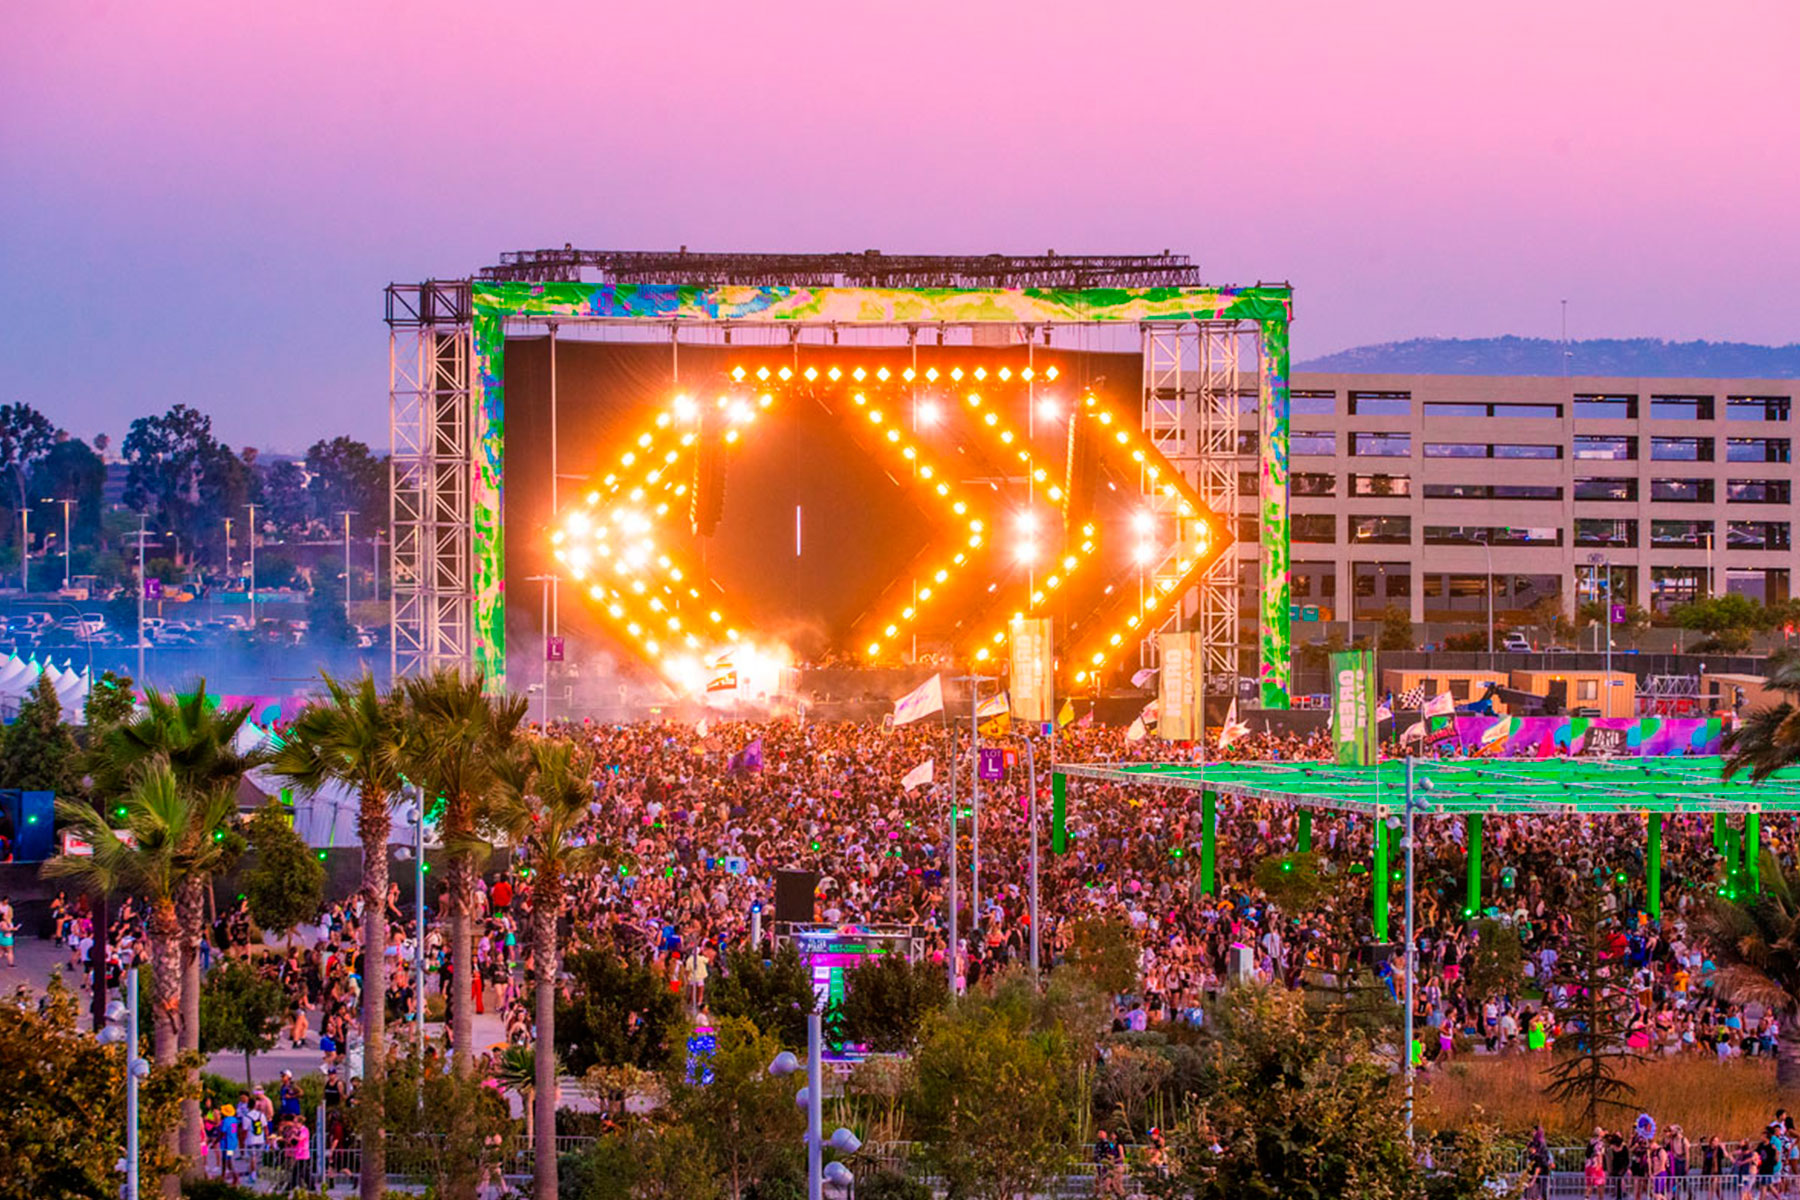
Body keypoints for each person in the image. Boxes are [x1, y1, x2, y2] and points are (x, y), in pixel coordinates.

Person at [1094, 1128, 1125, 1199]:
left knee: (1116, 1183)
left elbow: (1121, 1156)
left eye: (1113, 1135)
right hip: (1110, 1166)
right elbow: (1110, 1151)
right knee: (1106, 1182)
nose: (1112, 1136)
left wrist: (1113, 1160)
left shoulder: (1117, 1145)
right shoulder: (1111, 1144)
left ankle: (1120, 1195)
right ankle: (1107, 1195)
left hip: (1116, 1165)